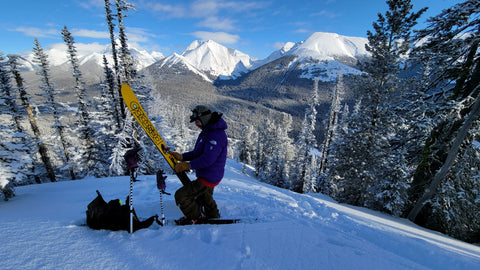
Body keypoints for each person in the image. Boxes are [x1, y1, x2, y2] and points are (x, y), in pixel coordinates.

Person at [170, 105, 228, 225]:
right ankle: (212, 214)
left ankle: (196, 217)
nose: (196, 124)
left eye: (197, 121)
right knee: (205, 196)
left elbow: (207, 159)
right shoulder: (207, 131)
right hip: (208, 174)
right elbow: (198, 153)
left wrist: (188, 165)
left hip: (209, 176)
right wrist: (182, 157)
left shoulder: (215, 134)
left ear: (205, 118)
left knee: (181, 196)